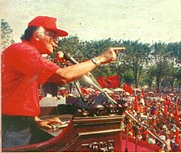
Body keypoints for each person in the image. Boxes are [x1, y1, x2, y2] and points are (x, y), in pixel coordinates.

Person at [1, 15, 125, 148]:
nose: (56, 41)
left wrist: (35, 121)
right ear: (37, 35)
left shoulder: (26, 53)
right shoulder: (23, 51)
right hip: (13, 128)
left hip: (20, 124)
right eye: (53, 35)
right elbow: (63, 76)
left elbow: (18, 96)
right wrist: (100, 59)